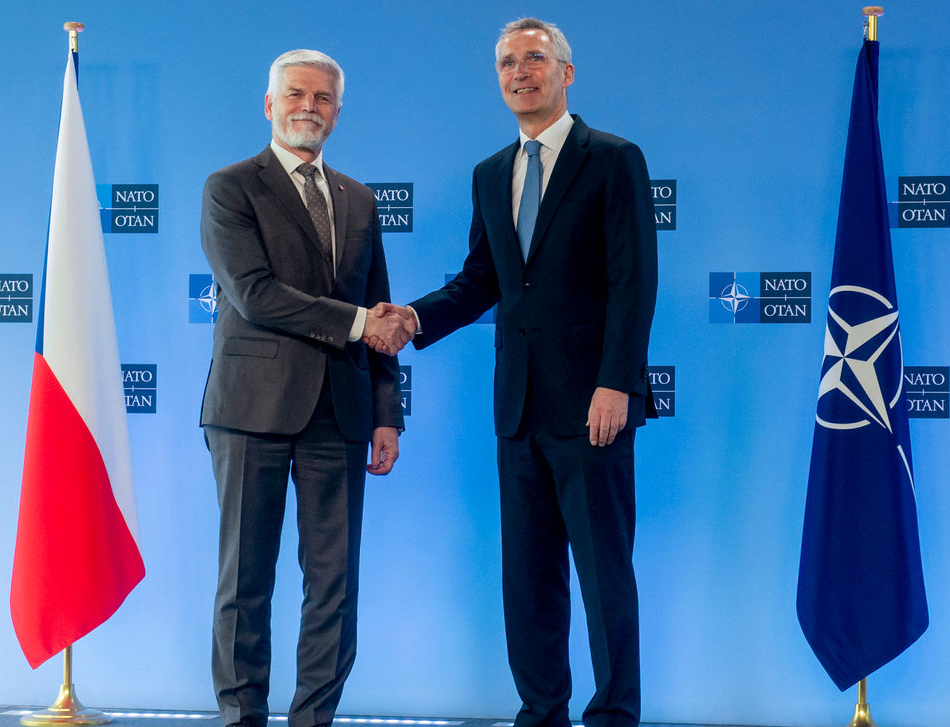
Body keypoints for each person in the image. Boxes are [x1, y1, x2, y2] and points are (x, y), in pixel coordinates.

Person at [377, 17, 658, 727]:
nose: (519, 72)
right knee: (528, 581)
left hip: (593, 407)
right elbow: (482, 280)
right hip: (518, 409)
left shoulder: (614, 158)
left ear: (567, 72)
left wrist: (617, 382)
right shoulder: (489, 173)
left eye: (534, 58)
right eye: (507, 62)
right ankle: (541, 711)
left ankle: (614, 715)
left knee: (603, 576)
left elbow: (634, 280)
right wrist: (413, 318)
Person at [199, 49, 410, 727]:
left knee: (334, 584)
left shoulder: (360, 199)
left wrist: (386, 412)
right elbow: (255, 294)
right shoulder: (230, 187)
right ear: (270, 104)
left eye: (322, 98)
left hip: (341, 411)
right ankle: (242, 718)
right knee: (244, 580)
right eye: (295, 94)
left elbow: (378, 303)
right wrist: (360, 323)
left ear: (337, 113)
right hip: (250, 409)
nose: (308, 108)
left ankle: (314, 719)